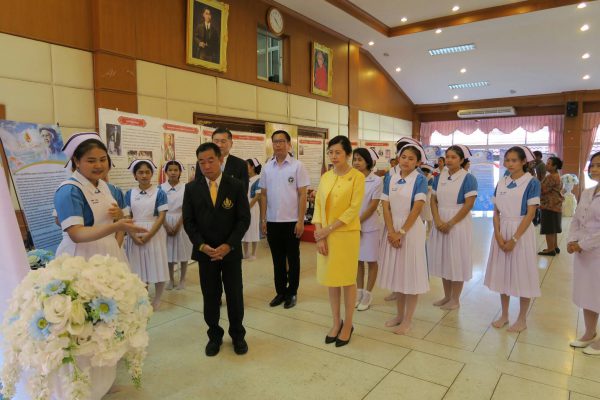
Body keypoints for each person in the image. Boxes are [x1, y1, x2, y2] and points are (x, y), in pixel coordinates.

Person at [183, 143, 250, 356]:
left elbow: (243, 219)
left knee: (234, 295)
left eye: (210, 160)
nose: (206, 166)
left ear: (220, 159)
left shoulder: (235, 185)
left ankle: (238, 335)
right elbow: (188, 221)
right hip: (206, 253)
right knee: (210, 296)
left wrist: (229, 245)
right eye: (201, 162)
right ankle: (214, 335)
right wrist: (202, 245)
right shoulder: (191, 189)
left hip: (230, 252)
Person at [54, 132, 146, 262]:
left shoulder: (112, 190)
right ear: (76, 161)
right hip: (80, 255)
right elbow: (76, 234)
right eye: (91, 161)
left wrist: (116, 245)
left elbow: (123, 220)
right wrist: (116, 226)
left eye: (103, 159)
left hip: (110, 251)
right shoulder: (69, 190)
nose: (98, 165)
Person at [313, 136, 364, 347]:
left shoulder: (357, 177)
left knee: (347, 279)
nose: (333, 156)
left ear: (348, 154)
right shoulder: (326, 177)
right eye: (330, 152)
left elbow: (353, 209)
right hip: (325, 235)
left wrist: (327, 230)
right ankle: (336, 322)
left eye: (338, 152)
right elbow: (318, 205)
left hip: (346, 235)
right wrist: (320, 234)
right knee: (331, 280)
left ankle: (348, 324)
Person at [484, 146, 541, 332]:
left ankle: (522, 319)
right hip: (502, 231)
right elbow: (495, 212)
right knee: (503, 274)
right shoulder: (502, 182)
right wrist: (498, 235)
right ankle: (505, 315)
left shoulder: (531, 182)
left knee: (523, 274)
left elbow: (530, 214)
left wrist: (514, 239)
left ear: (524, 162)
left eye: (514, 160)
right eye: (507, 160)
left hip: (521, 232)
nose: (509, 164)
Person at [378, 144, 429, 335]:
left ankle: (408, 320)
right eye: (403, 157)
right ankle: (399, 315)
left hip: (411, 230)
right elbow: (385, 205)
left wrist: (401, 232)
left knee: (410, 274)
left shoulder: (420, 179)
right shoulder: (390, 177)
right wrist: (391, 230)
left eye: (411, 158)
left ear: (418, 162)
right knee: (398, 273)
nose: (406, 161)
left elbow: (417, 208)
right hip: (392, 228)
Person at [260, 130, 310, 309]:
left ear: (289, 144)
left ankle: (292, 292)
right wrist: (263, 220)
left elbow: (302, 195)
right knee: (277, 259)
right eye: (275, 142)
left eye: (282, 141)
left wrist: (300, 220)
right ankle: (280, 292)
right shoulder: (267, 167)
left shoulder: (297, 166)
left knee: (293, 258)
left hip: (292, 221)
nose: (278, 145)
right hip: (273, 221)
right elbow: (263, 195)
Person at [428, 145, 478, 310]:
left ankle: (455, 299)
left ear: (462, 160)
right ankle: (447, 296)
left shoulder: (468, 178)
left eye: (453, 157)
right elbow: (433, 200)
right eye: (447, 156)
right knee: (444, 259)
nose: (449, 160)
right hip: (440, 220)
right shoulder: (439, 177)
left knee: (456, 260)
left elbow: (468, 204)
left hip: (458, 223)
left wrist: (450, 223)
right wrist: (437, 220)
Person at [125, 160, 169, 311]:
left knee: (157, 264)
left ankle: (157, 299)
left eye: (147, 172)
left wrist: (149, 235)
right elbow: (127, 216)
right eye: (140, 172)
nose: (144, 175)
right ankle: (143, 297)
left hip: (154, 231)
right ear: (135, 175)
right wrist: (132, 235)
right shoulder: (129, 193)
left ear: (152, 174)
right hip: (135, 231)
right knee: (138, 266)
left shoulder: (160, 193)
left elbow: (161, 217)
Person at [567, 151, 600, 355]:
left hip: (596, 251)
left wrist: (582, 244)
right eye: (593, 165)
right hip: (584, 253)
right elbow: (576, 219)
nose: (594, 169)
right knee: (589, 293)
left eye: (599, 165)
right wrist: (572, 240)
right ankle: (589, 332)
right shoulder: (587, 192)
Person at [352, 147, 382, 312]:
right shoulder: (351, 178)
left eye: (360, 159)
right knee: (357, 261)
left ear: (368, 162)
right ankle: (359, 292)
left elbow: (372, 206)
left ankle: (368, 294)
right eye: (355, 159)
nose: (356, 162)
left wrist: (357, 222)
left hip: (369, 227)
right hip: (353, 225)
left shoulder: (376, 181)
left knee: (371, 261)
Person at [161, 160, 192, 290]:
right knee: (168, 253)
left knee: (183, 251)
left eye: (176, 170)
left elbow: (188, 208)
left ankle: (182, 279)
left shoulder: (186, 188)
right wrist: (166, 225)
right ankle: (171, 279)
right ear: (166, 172)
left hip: (182, 221)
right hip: (165, 221)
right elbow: (158, 209)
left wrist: (179, 224)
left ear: (180, 172)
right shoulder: (160, 188)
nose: (173, 172)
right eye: (170, 170)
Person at [538, 156, 564, 256]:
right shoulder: (557, 175)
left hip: (549, 206)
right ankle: (554, 247)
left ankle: (550, 249)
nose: (546, 165)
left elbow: (542, 189)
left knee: (549, 229)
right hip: (556, 206)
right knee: (553, 229)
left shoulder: (550, 177)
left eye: (548, 163)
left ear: (554, 166)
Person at [242, 158, 262, 260]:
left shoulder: (258, 179)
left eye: (247, 166)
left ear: (253, 167)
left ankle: (253, 253)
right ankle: (245, 253)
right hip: (244, 206)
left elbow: (257, 196)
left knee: (253, 228)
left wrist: (248, 207)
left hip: (253, 207)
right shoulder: (245, 178)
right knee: (244, 229)